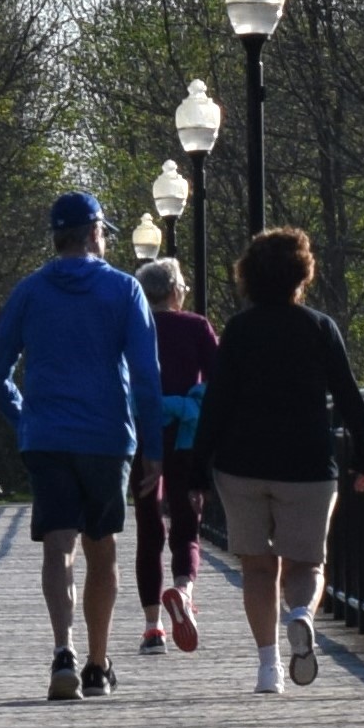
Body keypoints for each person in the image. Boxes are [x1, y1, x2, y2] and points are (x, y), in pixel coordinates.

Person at [0, 190, 158, 698]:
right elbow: (146, 375)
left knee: (58, 545)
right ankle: (99, 665)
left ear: (58, 239)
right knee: (103, 550)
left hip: (48, 436)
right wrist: (154, 446)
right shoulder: (125, 291)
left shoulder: (30, 291)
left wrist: (24, 419)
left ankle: (64, 650)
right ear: (96, 234)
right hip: (106, 438)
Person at [193, 224, 364, 691]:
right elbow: (350, 397)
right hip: (308, 466)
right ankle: (300, 615)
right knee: (307, 565)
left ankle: (268, 666)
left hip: (242, 465)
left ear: (249, 277)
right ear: (302, 276)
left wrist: (198, 462)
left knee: (256, 567)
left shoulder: (238, 330)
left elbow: (217, 402)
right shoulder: (319, 328)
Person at [131, 253, 218, 650]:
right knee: (188, 522)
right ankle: (183, 590)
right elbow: (219, 381)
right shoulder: (196, 326)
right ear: (173, 291)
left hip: (144, 432)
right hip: (187, 435)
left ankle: (153, 628)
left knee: (149, 528)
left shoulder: (133, 328)